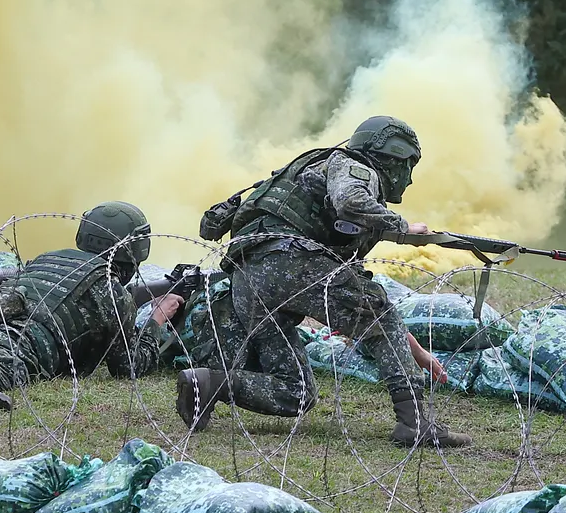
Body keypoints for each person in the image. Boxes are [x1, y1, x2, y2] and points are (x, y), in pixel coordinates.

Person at [176, 115, 473, 448]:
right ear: (392, 156)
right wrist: (403, 227)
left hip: (248, 278)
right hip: (291, 262)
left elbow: (355, 297)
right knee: (378, 314)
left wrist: (414, 350)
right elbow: (350, 201)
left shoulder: (314, 170)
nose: (409, 179)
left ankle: (208, 383)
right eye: (409, 165)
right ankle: (414, 423)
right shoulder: (356, 167)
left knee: (298, 392)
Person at [0, 200, 182, 409]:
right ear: (135, 247)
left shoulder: (48, 258)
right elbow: (128, 366)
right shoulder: (110, 290)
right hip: (18, 345)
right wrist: (156, 320)